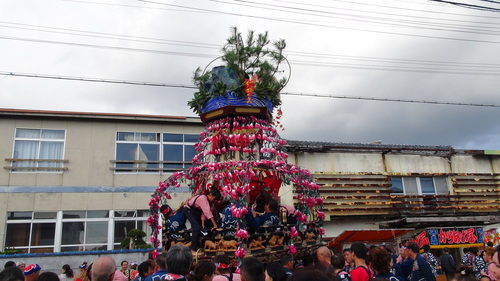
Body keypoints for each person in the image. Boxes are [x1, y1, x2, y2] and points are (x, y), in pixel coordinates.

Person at [183, 188, 222, 254]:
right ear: (210, 195)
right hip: (189, 211)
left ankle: (199, 247)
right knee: (196, 228)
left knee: (202, 228)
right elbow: (207, 212)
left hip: (195, 213)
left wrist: (203, 223)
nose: (214, 201)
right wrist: (215, 225)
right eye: (214, 199)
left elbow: (203, 214)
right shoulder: (203, 199)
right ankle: (192, 250)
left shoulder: (208, 201)